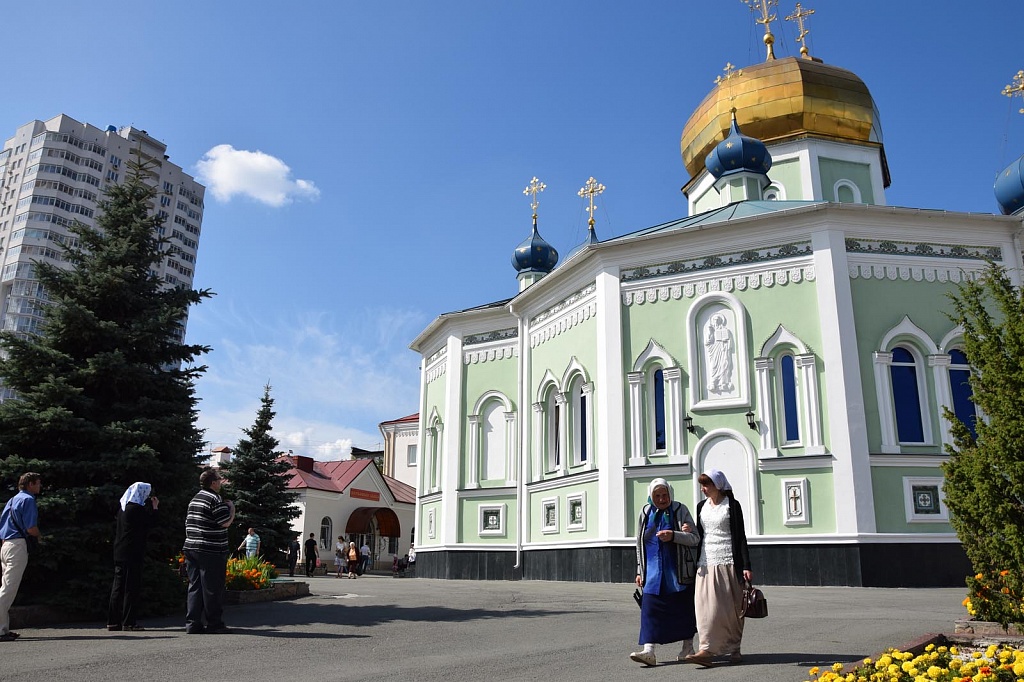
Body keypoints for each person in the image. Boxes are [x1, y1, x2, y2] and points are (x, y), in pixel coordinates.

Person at [685, 469, 752, 667]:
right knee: (705, 608)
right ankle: (706, 649)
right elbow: (700, 535)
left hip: (729, 561)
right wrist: (690, 530)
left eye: (707, 485)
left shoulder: (732, 505)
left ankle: (734, 648)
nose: (703, 489)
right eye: (702, 485)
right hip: (705, 563)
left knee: (731, 609)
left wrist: (746, 566)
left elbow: (740, 537)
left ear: (718, 485)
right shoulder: (700, 507)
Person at [629, 478, 700, 667]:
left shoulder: (679, 510)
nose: (661, 499)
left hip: (678, 572)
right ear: (651, 496)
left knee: (683, 611)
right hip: (652, 573)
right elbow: (639, 543)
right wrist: (639, 570)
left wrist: (675, 535)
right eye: (657, 496)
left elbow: (694, 538)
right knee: (650, 609)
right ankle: (649, 651)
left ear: (670, 493)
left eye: (664, 495)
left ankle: (687, 648)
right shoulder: (645, 512)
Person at [183, 468, 235, 635]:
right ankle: (214, 623)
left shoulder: (195, 498)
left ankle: (193, 623)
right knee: (212, 587)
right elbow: (225, 522)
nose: (221, 482)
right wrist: (232, 509)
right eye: (219, 480)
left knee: (195, 586)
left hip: (191, 547)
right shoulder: (215, 498)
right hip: (210, 548)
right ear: (213, 483)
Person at [107, 482, 158, 632]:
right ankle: (129, 622)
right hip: (133, 553)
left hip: (120, 552)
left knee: (118, 586)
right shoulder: (137, 509)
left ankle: (113, 621)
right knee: (131, 587)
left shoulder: (123, 508)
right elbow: (151, 524)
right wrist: (155, 508)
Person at [0, 473, 42, 643]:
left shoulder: (12, 500)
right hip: (17, 545)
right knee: (8, 590)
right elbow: (31, 528)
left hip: (6, 544)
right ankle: (0, 630)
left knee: (6, 587)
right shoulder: (28, 500)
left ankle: (3, 628)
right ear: (30, 484)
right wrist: (40, 537)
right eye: (38, 483)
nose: (40, 486)